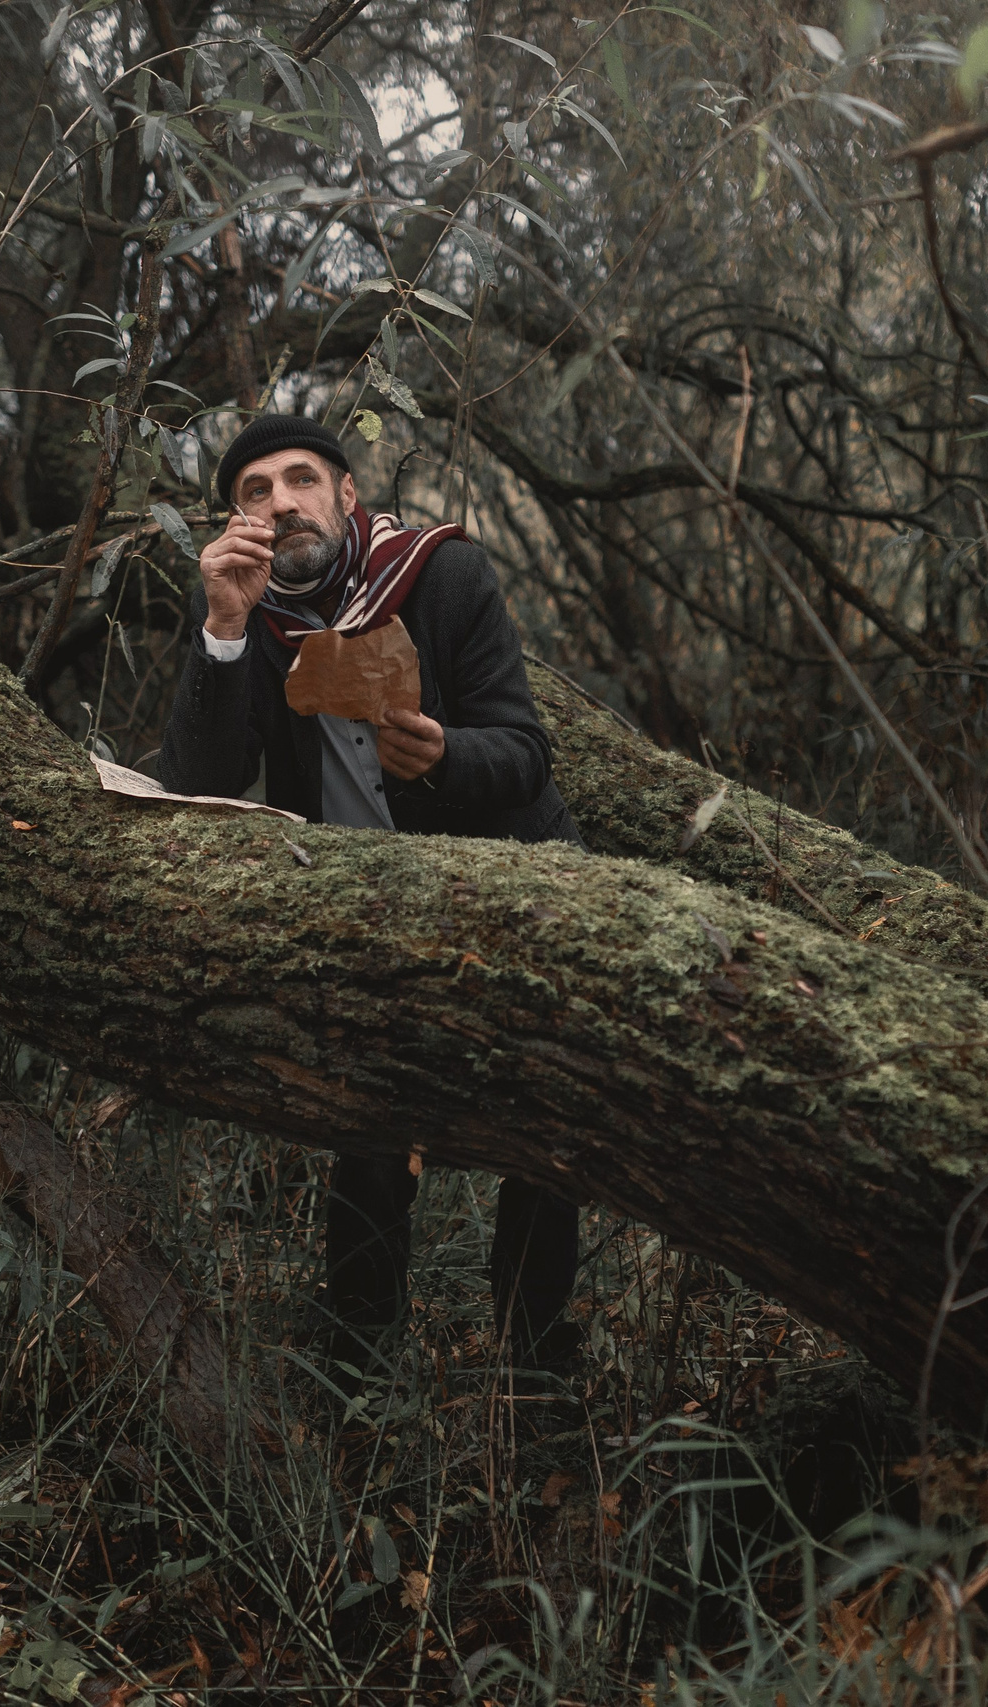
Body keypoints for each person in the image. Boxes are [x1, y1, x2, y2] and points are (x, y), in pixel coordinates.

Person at [157, 412, 584, 1387]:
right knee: (370, 1140)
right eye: (255, 491)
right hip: (364, 917)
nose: (281, 502)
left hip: (512, 895)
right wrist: (222, 628)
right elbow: (198, 789)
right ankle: (357, 1384)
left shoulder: (442, 575)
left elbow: (524, 752)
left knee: (541, 1142)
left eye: (301, 479)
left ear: (347, 496)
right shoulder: (250, 619)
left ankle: (538, 1381)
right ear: (237, 523)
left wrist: (444, 755)